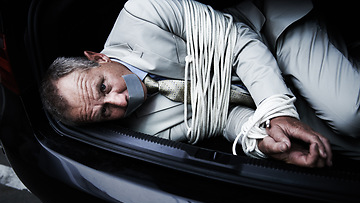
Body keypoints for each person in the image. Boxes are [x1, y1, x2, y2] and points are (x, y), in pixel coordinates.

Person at [42, 0, 360, 168]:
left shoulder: (143, 13)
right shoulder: (145, 131)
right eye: (103, 113)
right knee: (337, 148)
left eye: (103, 88)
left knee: (349, 114)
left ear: (97, 58)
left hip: (270, 33)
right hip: (258, 100)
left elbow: (239, 42)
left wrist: (277, 112)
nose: (120, 102)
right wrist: (263, 144)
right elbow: (221, 117)